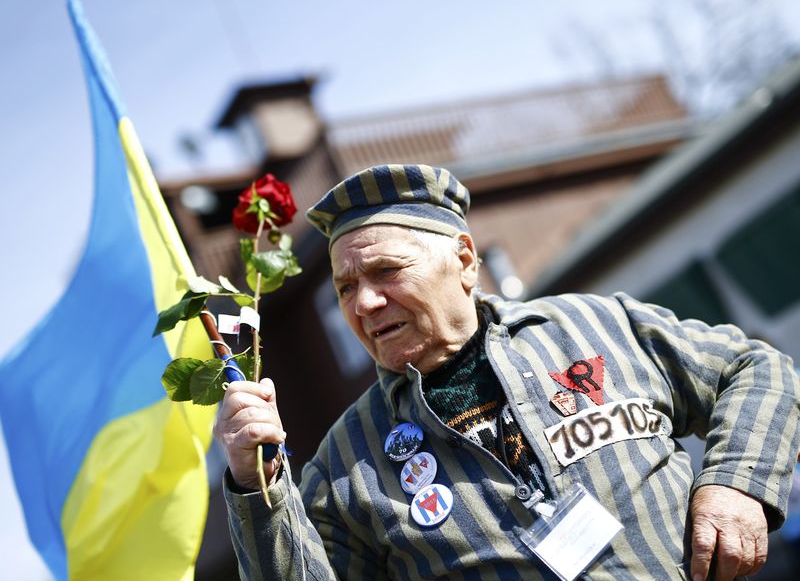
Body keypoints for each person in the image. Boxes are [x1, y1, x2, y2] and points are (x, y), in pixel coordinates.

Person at [214, 164, 800, 580]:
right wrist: (253, 480)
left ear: (464, 261)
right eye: (346, 288)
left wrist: (735, 486)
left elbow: (753, 368)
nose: (364, 304)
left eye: (387, 271)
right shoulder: (347, 462)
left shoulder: (597, 324)